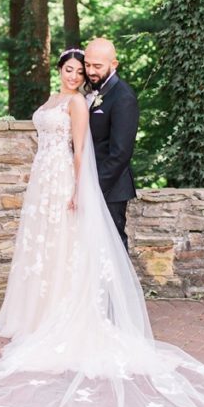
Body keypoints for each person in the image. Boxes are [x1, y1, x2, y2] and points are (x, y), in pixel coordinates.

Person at [0, 48, 204, 407]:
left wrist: (84, 189)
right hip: (45, 180)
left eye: (86, 69)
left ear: (107, 65)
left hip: (81, 182)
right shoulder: (60, 98)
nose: (79, 74)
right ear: (60, 69)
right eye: (73, 68)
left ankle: (103, 318)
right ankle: (38, 313)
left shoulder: (102, 98)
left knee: (88, 250)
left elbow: (95, 150)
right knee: (45, 249)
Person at [84, 37, 139, 252]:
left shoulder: (123, 96)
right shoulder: (90, 90)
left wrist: (94, 187)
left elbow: (121, 153)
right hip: (88, 182)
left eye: (97, 66)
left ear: (113, 64)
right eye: (87, 65)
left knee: (112, 247)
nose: (90, 71)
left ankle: (118, 288)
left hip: (110, 187)